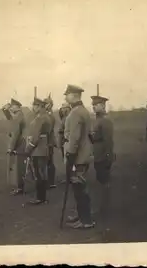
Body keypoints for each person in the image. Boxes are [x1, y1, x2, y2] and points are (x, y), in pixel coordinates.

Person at [63, 84, 94, 229]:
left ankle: (85, 220)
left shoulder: (75, 113)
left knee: (80, 188)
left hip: (77, 157)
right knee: (79, 188)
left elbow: (74, 138)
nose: (65, 97)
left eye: (67, 94)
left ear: (74, 95)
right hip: (83, 155)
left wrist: (70, 156)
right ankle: (82, 216)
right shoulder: (82, 110)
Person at [89, 95, 114, 217]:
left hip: (103, 155)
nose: (93, 107)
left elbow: (108, 141)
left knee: (104, 181)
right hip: (97, 154)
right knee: (100, 181)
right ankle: (102, 206)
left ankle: (105, 207)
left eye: (96, 105)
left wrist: (108, 157)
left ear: (103, 106)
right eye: (93, 105)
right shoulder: (97, 120)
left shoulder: (105, 121)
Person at [25, 97, 52, 205]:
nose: (33, 108)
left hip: (38, 149)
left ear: (40, 106)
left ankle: (40, 198)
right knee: (42, 173)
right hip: (43, 147)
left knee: (39, 174)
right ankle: (42, 197)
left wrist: (29, 148)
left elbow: (36, 137)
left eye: (35, 106)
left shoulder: (40, 118)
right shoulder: (45, 117)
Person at [5, 98, 27, 196]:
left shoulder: (18, 116)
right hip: (20, 143)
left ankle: (20, 188)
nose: (11, 107)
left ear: (17, 107)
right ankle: (19, 186)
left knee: (19, 167)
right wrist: (5, 110)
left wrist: (11, 147)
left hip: (19, 144)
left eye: (12, 106)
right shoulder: (18, 115)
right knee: (18, 167)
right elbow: (9, 117)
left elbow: (15, 133)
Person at [43, 94, 57, 189]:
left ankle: (51, 182)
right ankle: (49, 181)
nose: (44, 105)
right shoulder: (47, 114)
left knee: (49, 161)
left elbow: (48, 128)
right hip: (46, 141)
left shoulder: (49, 115)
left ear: (50, 104)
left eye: (46, 103)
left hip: (48, 141)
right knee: (47, 161)